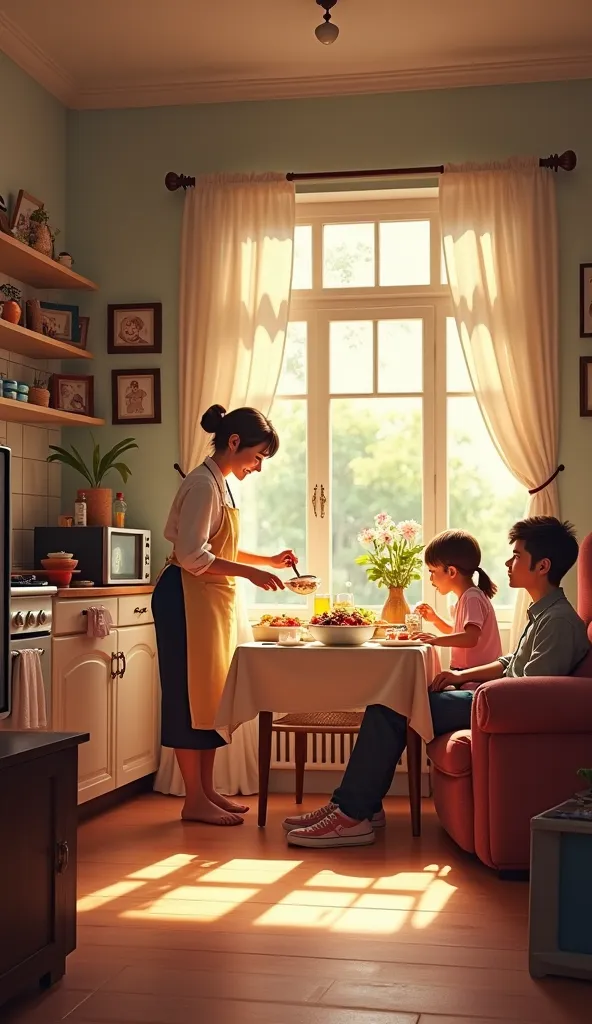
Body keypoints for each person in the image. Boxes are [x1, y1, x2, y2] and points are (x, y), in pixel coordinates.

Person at [284, 516, 590, 848]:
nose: (507, 561)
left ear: (542, 565)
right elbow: (511, 664)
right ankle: (359, 807)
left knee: (390, 707)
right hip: (492, 700)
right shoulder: (543, 613)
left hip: (499, 707)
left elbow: (530, 689)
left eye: (516, 555)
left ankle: (350, 815)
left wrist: (475, 690)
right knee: (389, 703)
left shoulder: (558, 621)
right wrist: (461, 675)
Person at [153, 404, 296, 827]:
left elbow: (219, 547)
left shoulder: (220, 483)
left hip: (208, 601)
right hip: (183, 599)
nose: (257, 467)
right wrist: (251, 572)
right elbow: (192, 554)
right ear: (234, 442)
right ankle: (192, 799)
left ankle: (208, 790)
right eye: (257, 457)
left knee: (211, 695)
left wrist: (265, 559)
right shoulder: (201, 484)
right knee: (186, 695)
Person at [413, 529, 502, 680]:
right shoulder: (467, 597)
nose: (431, 579)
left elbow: (470, 638)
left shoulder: (472, 598)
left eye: (432, 571)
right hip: (468, 676)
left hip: (475, 679)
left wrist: (435, 640)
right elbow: (457, 633)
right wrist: (435, 620)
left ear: (452, 571)